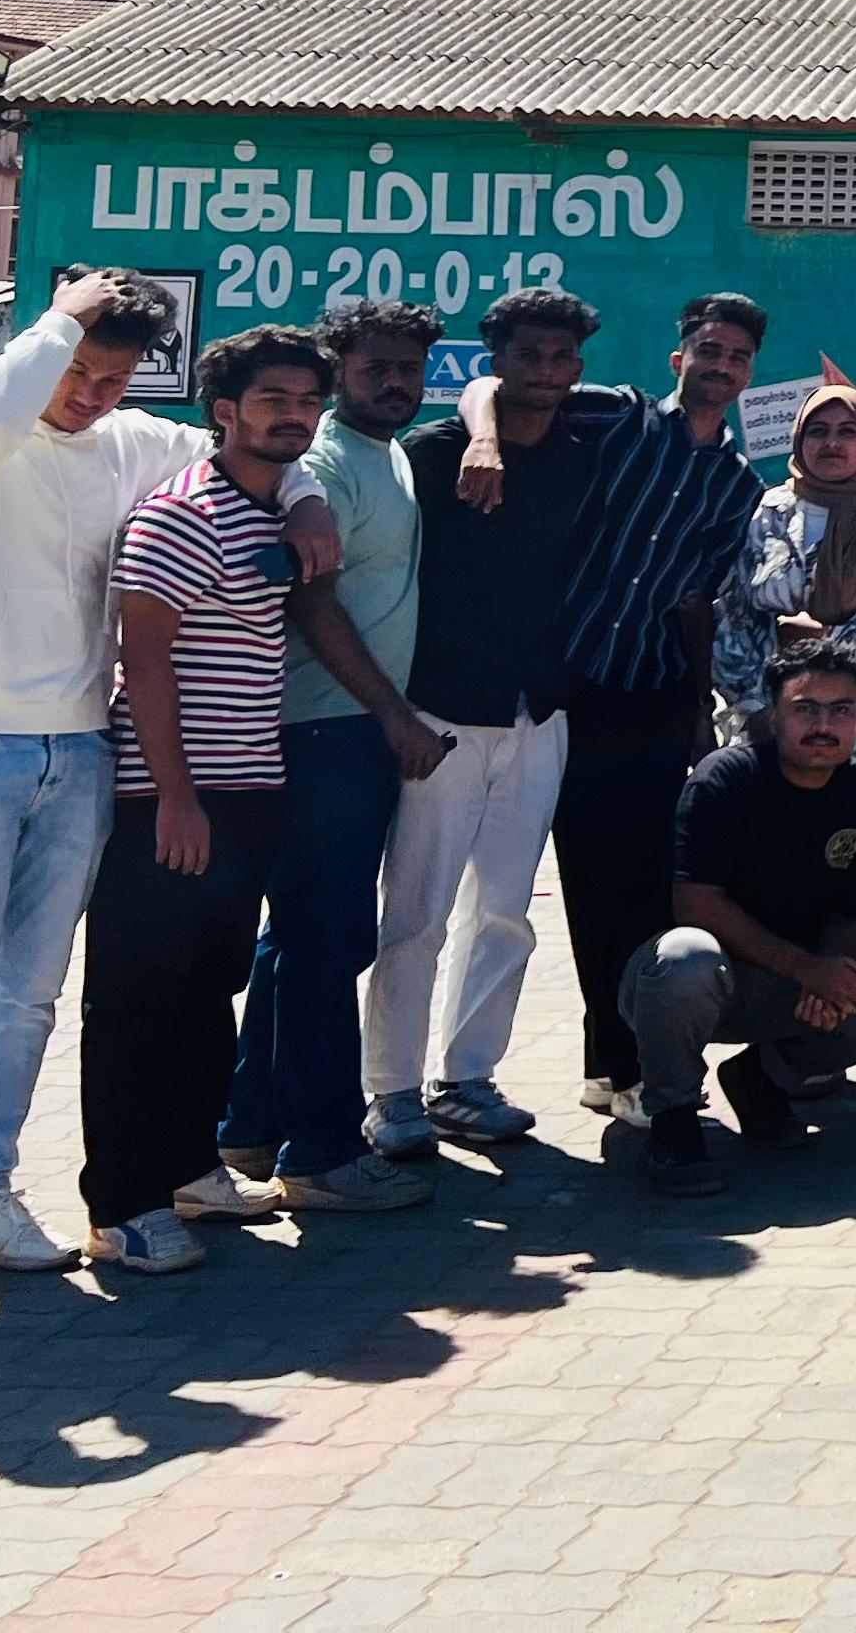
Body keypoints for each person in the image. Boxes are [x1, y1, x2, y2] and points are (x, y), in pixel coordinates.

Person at [0, 270, 198, 1300]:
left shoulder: (128, 444)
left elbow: (247, 454)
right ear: (40, 347)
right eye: (77, 372)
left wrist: (314, 498)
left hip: (79, 751)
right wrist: (61, 320)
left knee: (26, 999)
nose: (92, 397)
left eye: (115, 380)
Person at [81, 328, 421, 1271]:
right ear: (225, 412)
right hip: (171, 800)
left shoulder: (276, 508)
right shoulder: (179, 514)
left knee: (206, 990)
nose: (294, 417)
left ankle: (191, 1170)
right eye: (274, 400)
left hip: (252, 790)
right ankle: (122, 1207)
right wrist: (175, 796)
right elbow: (144, 658)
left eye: (307, 403)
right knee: (140, 1000)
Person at [456, 288, 768, 1126]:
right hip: (574, 690)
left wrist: (699, 713)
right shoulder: (615, 418)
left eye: (737, 357)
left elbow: (697, 603)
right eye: (709, 350)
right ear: (680, 357)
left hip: (656, 694)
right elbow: (492, 391)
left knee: (651, 890)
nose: (721, 366)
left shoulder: (737, 483)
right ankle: (615, 1071)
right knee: (592, 888)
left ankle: (618, 1068)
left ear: (748, 373)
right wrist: (483, 440)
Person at [217, 296, 453, 1219]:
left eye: (409, 369)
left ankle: (248, 1124)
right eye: (373, 368)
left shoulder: (384, 453)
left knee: (303, 938)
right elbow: (312, 602)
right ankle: (321, 1154)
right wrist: (393, 715)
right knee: (325, 942)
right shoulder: (321, 463)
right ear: (338, 373)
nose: (394, 383)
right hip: (326, 729)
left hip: (345, 731)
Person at [369, 286, 600, 1160]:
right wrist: (481, 434)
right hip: (440, 713)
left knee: (506, 913)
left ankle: (466, 1080)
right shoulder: (431, 455)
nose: (546, 370)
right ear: (495, 360)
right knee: (416, 914)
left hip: (539, 713)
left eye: (561, 356)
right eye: (528, 354)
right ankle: (391, 1092)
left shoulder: (583, 451)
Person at [625, 637, 856, 1196]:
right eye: (805, 709)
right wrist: (807, 970)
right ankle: (672, 1119)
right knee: (685, 957)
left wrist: (829, 974)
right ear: (772, 715)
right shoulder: (724, 779)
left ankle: (761, 1081)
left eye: (841, 710)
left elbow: (852, 915)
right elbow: (697, 906)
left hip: (789, 983)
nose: (824, 725)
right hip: (689, 984)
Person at [717, 380, 856, 761]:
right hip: (767, 725)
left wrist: (828, 637)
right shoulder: (770, 513)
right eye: (818, 431)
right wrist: (756, 707)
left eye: (847, 431)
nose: (831, 443)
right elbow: (733, 618)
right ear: (799, 439)